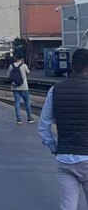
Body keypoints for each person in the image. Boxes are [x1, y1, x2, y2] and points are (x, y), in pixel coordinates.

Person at [39, 49, 88, 210]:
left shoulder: (55, 90)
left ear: (71, 66)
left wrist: (54, 147)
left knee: (67, 206)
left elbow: (44, 126)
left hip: (65, 157)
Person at [7, 53, 34, 124]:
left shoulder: (11, 65)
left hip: (14, 87)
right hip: (24, 87)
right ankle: (29, 118)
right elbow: (28, 72)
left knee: (17, 102)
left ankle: (19, 119)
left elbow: (8, 75)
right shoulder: (24, 65)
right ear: (22, 58)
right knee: (27, 102)